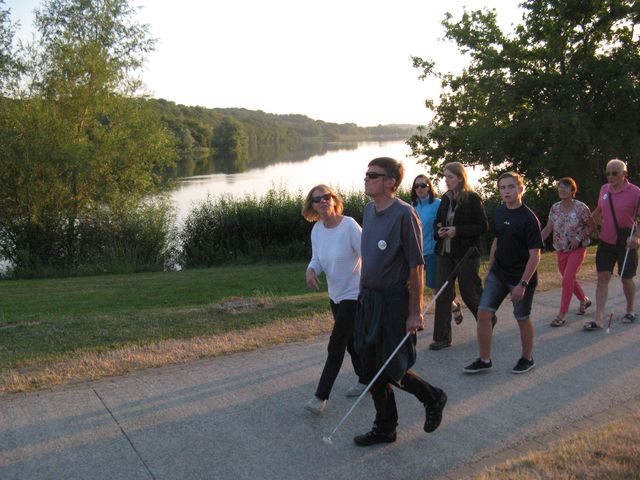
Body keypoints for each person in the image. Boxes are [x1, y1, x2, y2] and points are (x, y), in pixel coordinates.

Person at [353, 157, 447, 447]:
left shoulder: (405, 214)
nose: (366, 179)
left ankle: (432, 397)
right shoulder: (369, 211)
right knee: (369, 368)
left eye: (374, 175)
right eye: (366, 174)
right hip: (369, 300)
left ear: (391, 182)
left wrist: (415, 312)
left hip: (394, 301)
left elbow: (416, 267)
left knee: (392, 367)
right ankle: (385, 427)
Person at [463, 172, 543, 374]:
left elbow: (535, 256)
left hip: (520, 278)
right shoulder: (499, 213)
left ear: (520, 189)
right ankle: (484, 359)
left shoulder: (529, 219)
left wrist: (522, 284)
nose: (507, 191)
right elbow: (497, 241)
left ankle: (527, 358)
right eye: (503, 188)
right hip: (498, 273)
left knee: (522, 317)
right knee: (483, 313)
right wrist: (490, 267)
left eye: (511, 187)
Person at [302, 184, 366, 414]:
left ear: (334, 199)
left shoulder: (349, 225)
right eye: (317, 199)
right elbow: (317, 259)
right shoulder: (317, 230)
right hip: (335, 295)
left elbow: (366, 254)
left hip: (354, 293)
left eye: (326, 197)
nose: (322, 202)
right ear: (312, 206)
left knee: (336, 343)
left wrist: (367, 285)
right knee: (350, 341)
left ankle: (321, 397)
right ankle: (366, 378)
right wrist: (311, 270)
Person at [430, 162, 488, 350]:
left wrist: (457, 230)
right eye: (445, 177)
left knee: (469, 292)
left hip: (466, 254)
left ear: (460, 178)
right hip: (444, 253)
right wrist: (439, 231)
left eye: (450, 177)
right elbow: (438, 222)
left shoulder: (472, 198)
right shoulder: (445, 199)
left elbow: (483, 227)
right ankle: (442, 338)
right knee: (442, 294)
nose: (446, 180)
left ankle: (488, 320)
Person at [586, 159, 640, 331]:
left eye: (614, 173)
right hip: (605, 241)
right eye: (608, 173)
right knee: (602, 278)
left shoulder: (636, 193)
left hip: (626, 243)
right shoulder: (604, 189)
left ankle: (630, 309)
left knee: (626, 278)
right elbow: (599, 210)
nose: (610, 176)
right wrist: (586, 224)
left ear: (624, 174)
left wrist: (637, 237)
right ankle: (599, 318)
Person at [541, 177, 595, 327]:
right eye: (559, 187)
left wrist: (578, 237)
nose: (562, 189)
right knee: (568, 277)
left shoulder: (581, 208)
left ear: (572, 190)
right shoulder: (555, 208)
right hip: (561, 249)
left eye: (565, 187)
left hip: (577, 249)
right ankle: (584, 300)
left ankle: (562, 314)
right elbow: (548, 228)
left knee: (567, 278)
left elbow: (591, 226)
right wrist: (537, 242)